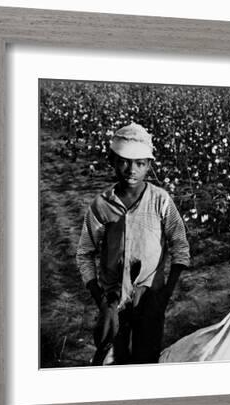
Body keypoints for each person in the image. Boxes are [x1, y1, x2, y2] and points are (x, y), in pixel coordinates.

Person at [76, 122, 190, 365]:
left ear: (149, 165)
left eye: (139, 163)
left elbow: (180, 245)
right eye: (124, 161)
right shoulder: (101, 205)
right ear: (112, 160)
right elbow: (85, 252)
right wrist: (100, 299)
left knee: (146, 357)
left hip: (150, 297)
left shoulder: (160, 200)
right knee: (113, 358)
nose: (131, 169)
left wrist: (165, 296)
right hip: (113, 300)